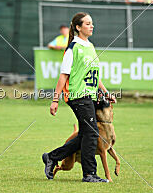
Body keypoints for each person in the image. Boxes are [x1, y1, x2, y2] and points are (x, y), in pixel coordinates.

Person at [42, 12, 116, 183]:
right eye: (88, 23)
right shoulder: (73, 48)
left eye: (92, 23)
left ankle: (52, 157)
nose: (92, 26)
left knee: (85, 133)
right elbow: (63, 76)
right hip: (77, 95)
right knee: (92, 133)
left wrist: (106, 92)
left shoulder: (90, 46)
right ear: (78, 27)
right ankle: (89, 174)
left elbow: (93, 76)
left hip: (88, 95)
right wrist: (55, 100)